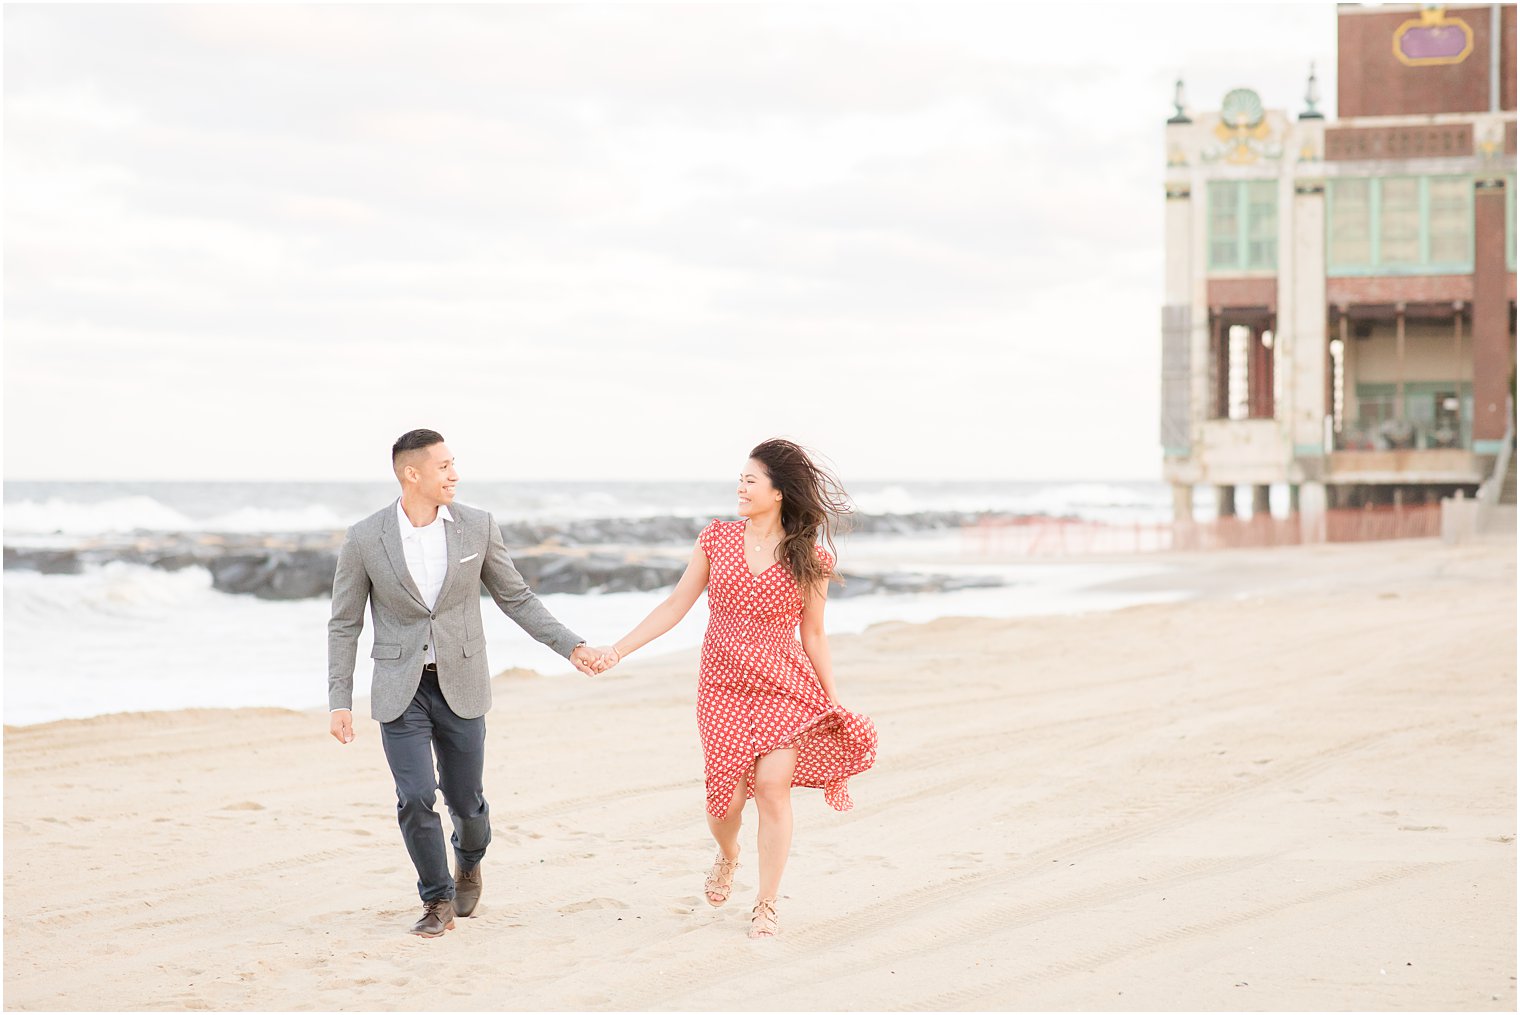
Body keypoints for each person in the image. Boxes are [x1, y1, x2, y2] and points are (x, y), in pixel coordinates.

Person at [327, 429, 605, 937]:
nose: (454, 474)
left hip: (462, 682)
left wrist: (572, 645)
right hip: (399, 686)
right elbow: (345, 622)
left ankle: (470, 857)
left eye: (454, 465)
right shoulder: (365, 537)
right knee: (414, 796)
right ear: (412, 473)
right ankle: (437, 899)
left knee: (465, 801)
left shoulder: (477, 526)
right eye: (444, 466)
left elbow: (516, 597)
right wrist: (338, 699)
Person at [595, 438, 878, 938]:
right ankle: (728, 854)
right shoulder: (716, 539)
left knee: (771, 789)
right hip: (722, 686)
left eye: (751, 480)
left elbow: (812, 632)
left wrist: (831, 698)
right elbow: (675, 605)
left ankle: (766, 904)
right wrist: (619, 650)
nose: (741, 488)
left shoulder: (809, 556)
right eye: (741, 479)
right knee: (724, 805)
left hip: (784, 686)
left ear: (779, 492)